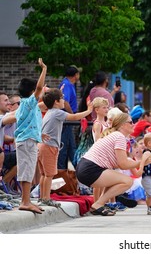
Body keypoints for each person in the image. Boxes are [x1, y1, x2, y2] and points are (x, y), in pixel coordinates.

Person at [76, 113, 151, 216]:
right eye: (130, 122)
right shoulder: (119, 136)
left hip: (86, 168)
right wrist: (142, 162)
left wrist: (141, 163)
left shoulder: (115, 135)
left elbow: (120, 164)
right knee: (127, 181)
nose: (133, 124)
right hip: (90, 169)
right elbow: (123, 164)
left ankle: (100, 204)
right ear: (122, 125)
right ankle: (98, 204)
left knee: (115, 180)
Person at [38, 88, 93, 207]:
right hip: (49, 147)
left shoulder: (49, 111)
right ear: (56, 102)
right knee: (49, 175)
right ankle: (46, 198)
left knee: (44, 174)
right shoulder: (57, 112)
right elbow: (74, 117)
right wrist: (89, 111)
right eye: (62, 98)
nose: (64, 100)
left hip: (42, 146)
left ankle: (42, 197)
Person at [14, 58, 47, 214]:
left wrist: (41, 134)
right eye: (36, 90)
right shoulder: (28, 102)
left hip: (27, 140)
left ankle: (25, 200)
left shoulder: (26, 105)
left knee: (26, 171)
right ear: (32, 91)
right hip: (26, 142)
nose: (38, 92)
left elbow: (29, 123)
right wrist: (44, 69)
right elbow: (40, 87)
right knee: (26, 172)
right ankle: (25, 202)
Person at [57, 65, 82, 172]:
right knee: (65, 146)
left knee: (71, 146)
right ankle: (61, 173)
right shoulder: (66, 84)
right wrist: (72, 115)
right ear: (75, 75)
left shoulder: (69, 84)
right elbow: (65, 102)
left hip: (67, 119)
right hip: (66, 119)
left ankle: (78, 170)